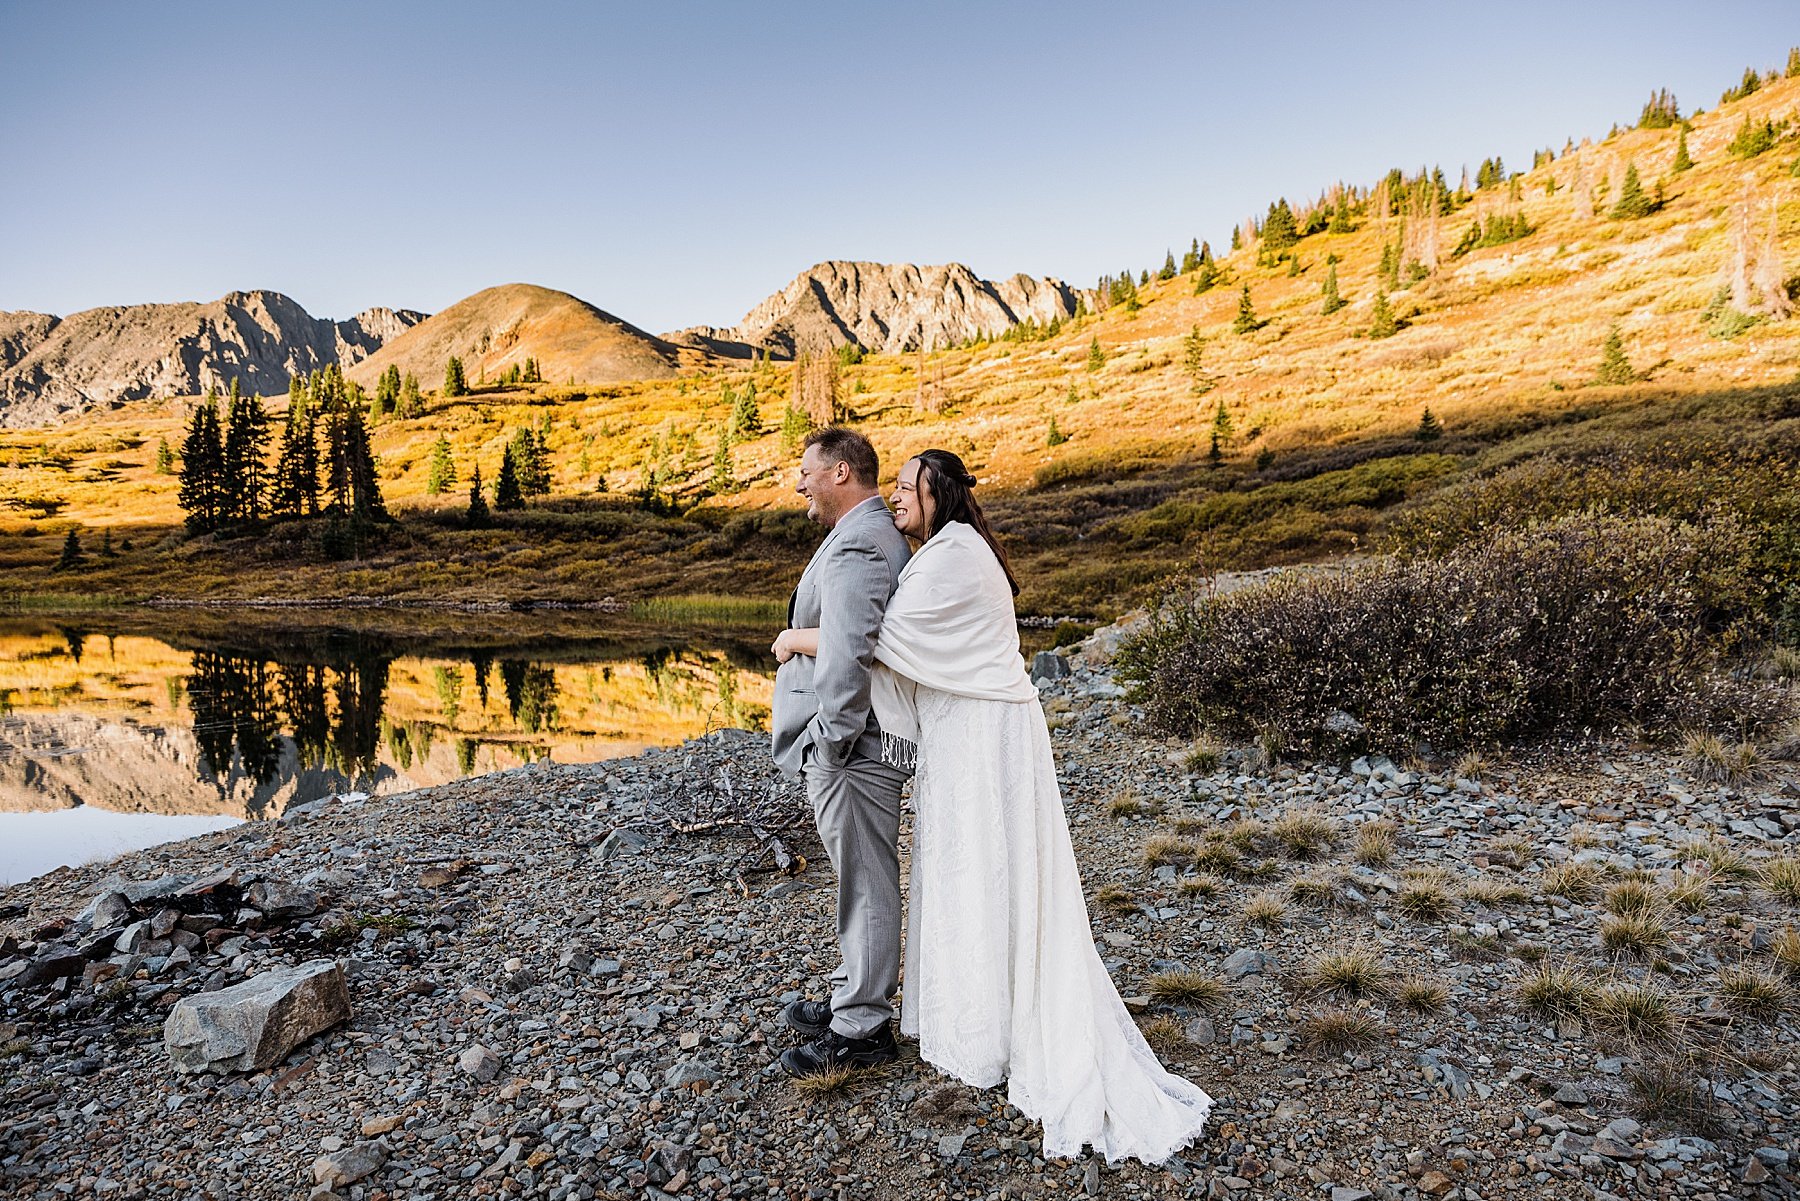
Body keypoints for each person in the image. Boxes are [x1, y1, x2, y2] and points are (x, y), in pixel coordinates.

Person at [773, 448, 1211, 1165]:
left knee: (979, 869)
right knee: (966, 874)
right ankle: (974, 1019)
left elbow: (879, 641)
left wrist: (795, 639)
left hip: (981, 736)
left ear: (935, 491)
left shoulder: (952, 554)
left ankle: (980, 1029)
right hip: (964, 732)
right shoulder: (950, 546)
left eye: (908, 489)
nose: (897, 501)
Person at [768, 428, 913, 1076]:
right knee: (859, 879)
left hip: (854, 750)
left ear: (842, 472)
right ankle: (851, 995)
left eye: (806, 471)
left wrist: (830, 741)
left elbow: (851, 650)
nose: (799, 482)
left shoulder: (858, 542)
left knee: (867, 885)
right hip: (854, 746)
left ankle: (863, 1029)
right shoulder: (867, 533)